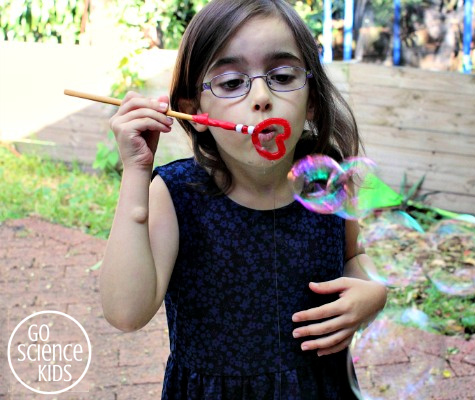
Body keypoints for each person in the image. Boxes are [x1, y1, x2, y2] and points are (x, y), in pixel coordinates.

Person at [100, 0, 387, 398]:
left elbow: (354, 257)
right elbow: (126, 312)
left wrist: (373, 290)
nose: (261, 96)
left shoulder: (325, 182)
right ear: (193, 110)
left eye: (283, 75)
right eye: (232, 82)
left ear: (313, 100)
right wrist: (135, 172)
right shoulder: (177, 194)